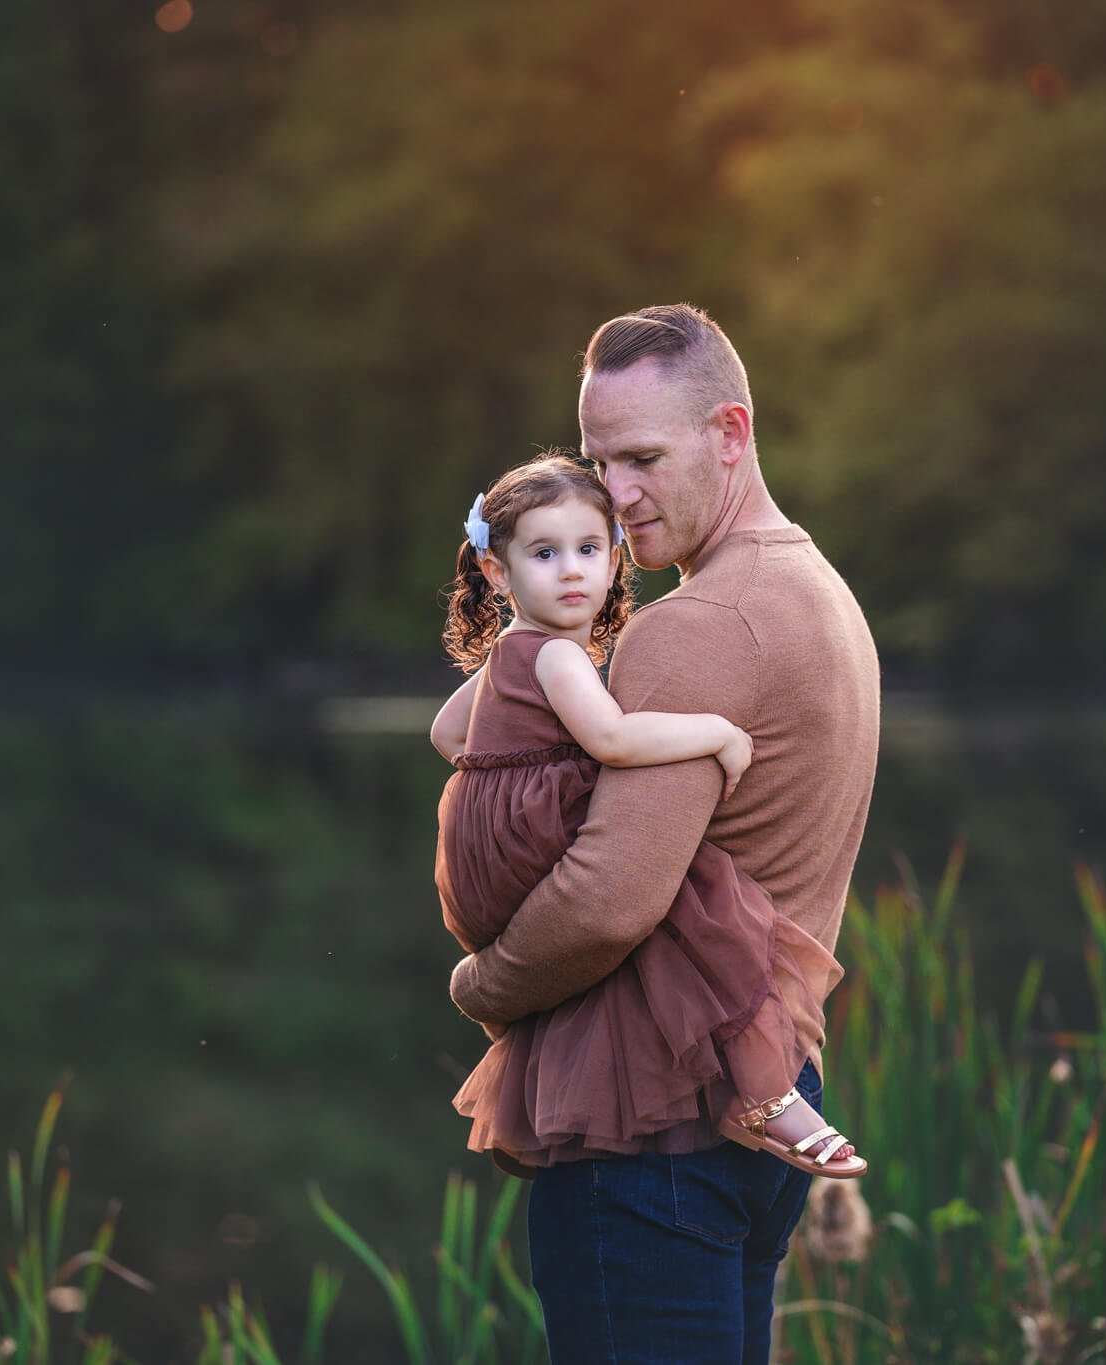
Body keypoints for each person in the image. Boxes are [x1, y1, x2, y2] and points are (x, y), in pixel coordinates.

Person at [448, 304, 882, 1363]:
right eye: (598, 462)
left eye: (642, 458)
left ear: (730, 433)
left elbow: (607, 897)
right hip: (756, 1091)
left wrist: (482, 986)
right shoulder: (815, 588)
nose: (615, 494)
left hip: (651, 1124)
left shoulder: (696, 628)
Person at [432, 453, 864, 1179]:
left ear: (613, 558)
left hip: (483, 866)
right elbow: (612, 739)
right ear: (498, 571)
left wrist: (512, 788)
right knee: (695, 901)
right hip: (529, 849)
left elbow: (448, 735)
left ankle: (546, 1106)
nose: (571, 570)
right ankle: (766, 1095)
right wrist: (717, 734)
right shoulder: (562, 660)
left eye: (589, 549)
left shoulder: (511, 651)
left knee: (646, 919)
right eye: (544, 553)